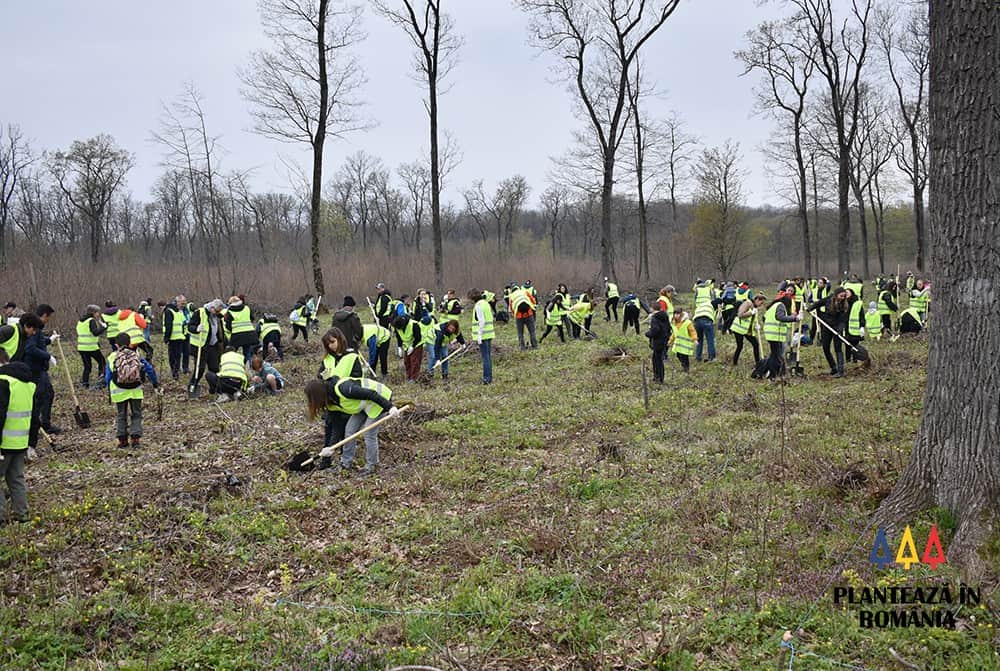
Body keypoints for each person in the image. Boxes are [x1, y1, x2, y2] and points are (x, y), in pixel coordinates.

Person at [306, 377, 400, 477]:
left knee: (369, 433)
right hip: (363, 406)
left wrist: (390, 407)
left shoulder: (344, 388)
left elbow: (371, 394)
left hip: (380, 400)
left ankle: (372, 466)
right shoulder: (331, 402)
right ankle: (345, 463)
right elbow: (337, 427)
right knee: (349, 430)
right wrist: (331, 447)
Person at [0, 348, 40, 525]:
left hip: (4, 443)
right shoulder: (27, 384)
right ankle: (22, 514)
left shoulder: (3, 383)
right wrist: (31, 442)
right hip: (20, 442)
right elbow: (34, 417)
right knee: (16, 479)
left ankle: (1, 518)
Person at [105, 332, 160, 448]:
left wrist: (109, 390)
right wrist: (155, 384)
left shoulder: (112, 357)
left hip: (118, 390)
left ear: (116, 345)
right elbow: (149, 370)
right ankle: (135, 439)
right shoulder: (136, 355)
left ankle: (122, 440)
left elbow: (108, 377)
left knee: (121, 414)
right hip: (135, 390)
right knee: (136, 414)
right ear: (130, 343)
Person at [319, 328, 363, 458]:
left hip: (346, 400)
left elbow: (357, 379)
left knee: (345, 431)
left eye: (332, 342)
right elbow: (320, 375)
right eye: (328, 344)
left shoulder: (352, 357)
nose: (331, 346)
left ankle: (346, 458)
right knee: (329, 429)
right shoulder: (327, 358)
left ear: (340, 339)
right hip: (331, 401)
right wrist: (323, 377)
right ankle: (326, 459)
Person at [25, 305, 59, 435]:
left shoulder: (36, 328)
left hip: (39, 369)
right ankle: (39, 425)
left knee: (47, 394)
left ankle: (42, 423)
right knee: (42, 396)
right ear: (44, 315)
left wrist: (49, 340)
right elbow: (31, 348)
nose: (47, 321)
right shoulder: (36, 327)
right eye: (48, 318)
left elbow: (39, 341)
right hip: (36, 369)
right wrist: (48, 356)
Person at [757, 292, 801, 379]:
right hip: (775, 335)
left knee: (774, 355)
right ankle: (772, 374)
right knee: (776, 356)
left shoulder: (774, 306)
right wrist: (795, 318)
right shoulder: (780, 305)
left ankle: (764, 372)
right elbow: (780, 317)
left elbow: (764, 318)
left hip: (771, 334)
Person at [808, 286, 850, 377]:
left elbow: (844, 319)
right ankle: (833, 368)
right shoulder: (828, 300)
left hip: (837, 328)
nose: (842, 298)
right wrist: (810, 308)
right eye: (841, 296)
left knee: (838, 348)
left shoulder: (845, 305)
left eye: (844, 296)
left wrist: (839, 329)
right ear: (835, 295)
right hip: (826, 327)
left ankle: (840, 370)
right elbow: (818, 303)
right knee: (825, 348)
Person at [188, 299, 225, 393]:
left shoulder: (217, 317)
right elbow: (189, 327)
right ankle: (193, 385)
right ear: (212, 307)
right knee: (200, 369)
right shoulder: (199, 313)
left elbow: (219, 331)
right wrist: (196, 328)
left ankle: (214, 389)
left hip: (213, 346)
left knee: (215, 368)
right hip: (200, 346)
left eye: (219, 312)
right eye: (216, 311)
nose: (217, 313)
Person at [76, 304, 108, 389]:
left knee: (87, 366)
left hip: (81, 348)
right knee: (102, 362)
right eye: (97, 312)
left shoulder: (80, 321)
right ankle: (101, 380)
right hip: (91, 348)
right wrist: (104, 328)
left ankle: (85, 383)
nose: (99, 314)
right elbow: (95, 332)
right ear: (93, 312)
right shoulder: (91, 320)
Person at [731, 293, 766, 367]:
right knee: (740, 346)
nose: (761, 305)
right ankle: (734, 363)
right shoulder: (747, 303)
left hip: (746, 330)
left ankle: (757, 363)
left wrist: (756, 325)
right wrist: (751, 313)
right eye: (761, 302)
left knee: (756, 344)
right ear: (756, 299)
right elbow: (740, 314)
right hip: (738, 329)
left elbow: (752, 320)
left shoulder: (755, 307)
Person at [469, 289, 495, 384]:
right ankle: (489, 377)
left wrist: (479, 335)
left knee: (485, 358)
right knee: (488, 357)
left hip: (483, 335)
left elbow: (482, 321)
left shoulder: (478, 306)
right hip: (489, 334)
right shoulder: (485, 303)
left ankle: (486, 379)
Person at [223, 295, 258, 364]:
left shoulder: (229, 312)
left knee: (232, 353)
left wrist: (233, 330)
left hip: (237, 336)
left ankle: (233, 365)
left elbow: (228, 326)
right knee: (247, 353)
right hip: (249, 334)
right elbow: (252, 318)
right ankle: (249, 368)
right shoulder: (246, 308)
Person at [692, 281, 720, 363]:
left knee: (699, 340)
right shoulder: (712, 307)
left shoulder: (703, 305)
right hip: (706, 320)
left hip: (696, 321)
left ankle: (698, 357)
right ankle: (712, 358)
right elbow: (714, 319)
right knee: (710, 340)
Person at [392, 315, 425, 382]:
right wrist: (399, 347)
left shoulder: (414, 325)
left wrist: (412, 346)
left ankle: (414, 378)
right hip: (406, 345)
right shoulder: (397, 325)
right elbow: (399, 337)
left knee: (414, 361)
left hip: (417, 344)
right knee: (406, 361)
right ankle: (409, 376)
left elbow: (418, 337)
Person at [163, 297, 188, 379]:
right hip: (177, 337)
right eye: (181, 303)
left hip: (174, 338)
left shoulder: (171, 311)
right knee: (177, 356)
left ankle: (174, 373)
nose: (183, 305)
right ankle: (176, 372)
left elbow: (169, 326)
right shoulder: (176, 312)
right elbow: (182, 324)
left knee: (173, 357)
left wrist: (166, 338)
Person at [645, 305, 672, 383]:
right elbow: (668, 328)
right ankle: (658, 377)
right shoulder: (665, 316)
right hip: (664, 340)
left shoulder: (655, 318)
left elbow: (655, 330)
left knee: (657, 360)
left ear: (652, 309)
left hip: (657, 342)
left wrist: (648, 334)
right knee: (657, 359)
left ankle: (659, 378)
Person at [667, 307, 697, 373]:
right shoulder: (674, 323)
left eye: (678, 314)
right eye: (675, 314)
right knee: (678, 355)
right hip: (678, 344)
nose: (676, 315)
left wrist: (695, 339)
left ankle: (686, 368)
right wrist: (670, 341)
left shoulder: (687, 322)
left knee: (684, 357)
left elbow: (692, 331)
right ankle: (684, 367)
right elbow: (674, 333)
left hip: (685, 344)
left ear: (681, 314)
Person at [508, 284, 538, 350]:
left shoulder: (511, 296)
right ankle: (534, 345)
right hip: (529, 314)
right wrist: (533, 307)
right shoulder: (524, 292)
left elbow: (511, 308)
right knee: (532, 331)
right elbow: (533, 300)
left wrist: (514, 314)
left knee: (520, 333)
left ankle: (522, 347)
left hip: (519, 317)